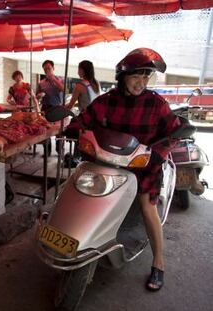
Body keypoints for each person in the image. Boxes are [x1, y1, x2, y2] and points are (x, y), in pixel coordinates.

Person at [66, 48, 181, 291]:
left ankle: (159, 262)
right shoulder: (106, 102)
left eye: (146, 77)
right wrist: (73, 128)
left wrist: (157, 155)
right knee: (79, 188)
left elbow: (174, 132)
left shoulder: (156, 103)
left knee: (147, 207)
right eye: (136, 77)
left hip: (144, 165)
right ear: (122, 77)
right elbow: (83, 120)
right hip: (108, 164)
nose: (142, 83)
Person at [36, 60, 65, 156]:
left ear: (53, 68)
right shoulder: (41, 82)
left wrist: (53, 79)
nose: (47, 70)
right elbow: (37, 95)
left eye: (49, 68)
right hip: (45, 107)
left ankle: (59, 150)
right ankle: (47, 151)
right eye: (45, 69)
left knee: (58, 130)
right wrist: (39, 95)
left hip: (57, 107)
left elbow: (64, 90)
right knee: (45, 129)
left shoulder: (60, 79)